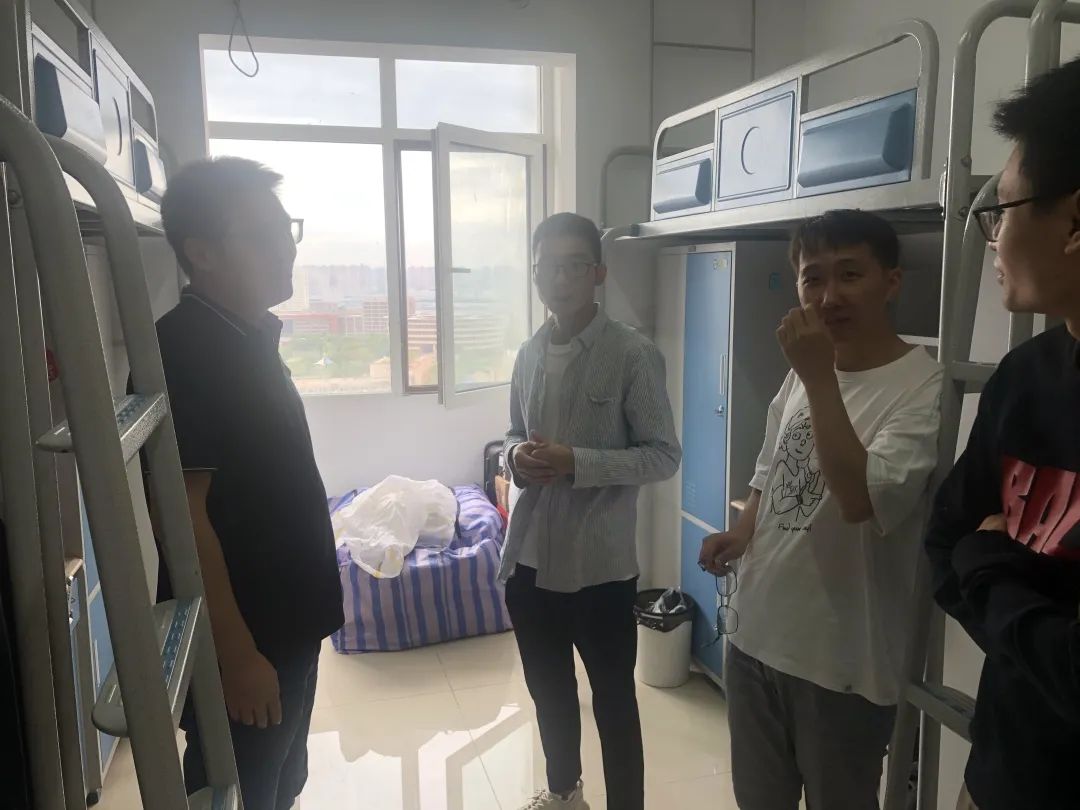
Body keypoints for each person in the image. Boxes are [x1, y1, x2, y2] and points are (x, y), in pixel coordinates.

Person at [700, 209, 944, 810]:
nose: (829, 296)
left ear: (891, 282)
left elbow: (861, 498)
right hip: (755, 640)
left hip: (842, 667)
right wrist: (743, 530)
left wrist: (818, 377)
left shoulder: (925, 387)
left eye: (850, 274)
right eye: (813, 278)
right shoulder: (802, 376)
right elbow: (770, 468)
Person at [155, 157, 344, 809]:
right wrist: (235, 656)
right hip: (248, 637)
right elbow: (183, 516)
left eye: (286, 229)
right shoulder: (187, 350)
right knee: (238, 791)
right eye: (262, 234)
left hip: (288, 628)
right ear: (201, 252)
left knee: (281, 783)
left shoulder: (245, 336)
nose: (285, 247)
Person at [924, 56, 1080, 810]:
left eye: (1005, 209)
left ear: (1075, 222)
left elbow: (968, 551)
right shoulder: (1025, 377)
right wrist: (1035, 614)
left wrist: (991, 560)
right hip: (999, 769)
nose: (992, 238)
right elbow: (942, 540)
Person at [501, 212, 681, 810]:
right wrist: (515, 457)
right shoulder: (528, 353)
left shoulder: (633, 354)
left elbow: (662, 456)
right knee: (549, 693)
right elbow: (511, 433)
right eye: (546, 267)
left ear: (598, 273)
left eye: (572, 265)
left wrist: (577, 462)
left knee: (614, 702)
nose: (558, 279)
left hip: (599, 569)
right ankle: (563, 792)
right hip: (529, 562)